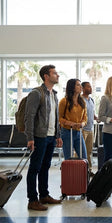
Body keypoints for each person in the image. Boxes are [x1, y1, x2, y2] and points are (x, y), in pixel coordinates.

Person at [25, 64, 63, 211]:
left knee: (45, 167)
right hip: (39, 137)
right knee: (34, 168)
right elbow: (29, 116)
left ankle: (44, 195)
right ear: (46, 76)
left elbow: (55, 117)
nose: (57, 75)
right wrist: (30, 138)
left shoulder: (54, 94)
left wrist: (57, 136)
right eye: (55, 73)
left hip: (51, 137)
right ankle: (32, 200)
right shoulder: (36, 93)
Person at [59, 79, 88, 161]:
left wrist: (82, 124)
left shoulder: (82, 101)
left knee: (84, 157)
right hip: (67, 132)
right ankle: (69, 173)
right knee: (68, 157)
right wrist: (70, 123)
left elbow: (85, 118)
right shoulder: (64, 101)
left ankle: (83, 173)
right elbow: (60, 118)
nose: (81, 87)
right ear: (72, 87)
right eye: (78, 85)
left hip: (78, 132)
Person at [81, 81, 98, 177]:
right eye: (88, 87)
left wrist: (96, 117)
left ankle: (89, 170)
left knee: (89, 151)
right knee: (80, 151)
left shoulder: (91, 100)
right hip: (82, 129)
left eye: (90, 86)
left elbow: (91, 112)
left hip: (90, 129)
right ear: (83, 88)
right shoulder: (80, 99)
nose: (90, 88)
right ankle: (79, 169)